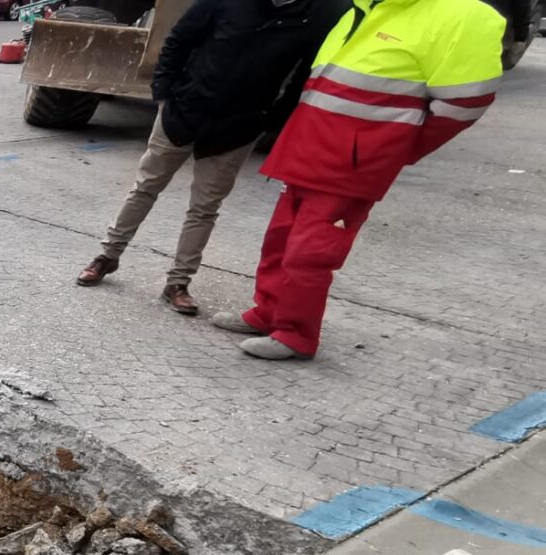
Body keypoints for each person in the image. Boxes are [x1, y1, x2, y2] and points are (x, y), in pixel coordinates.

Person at [216, 0, 504, 359]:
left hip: (352, 163)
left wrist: (393, 149)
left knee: (310, 253)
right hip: (310, 149)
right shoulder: (365, 7)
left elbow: (465, 104)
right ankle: (269, 313)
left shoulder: (460, 16)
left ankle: (295, 335)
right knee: (280, 241)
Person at [75, 0, 349, 316]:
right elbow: (178, 41)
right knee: (144, 188)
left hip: (238, 128)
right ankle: (107, 257)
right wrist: (164, 95)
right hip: (183, 111)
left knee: (205, 208)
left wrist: (269, 122)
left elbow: (303, 75)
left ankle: (178, 283)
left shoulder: (314, 17)